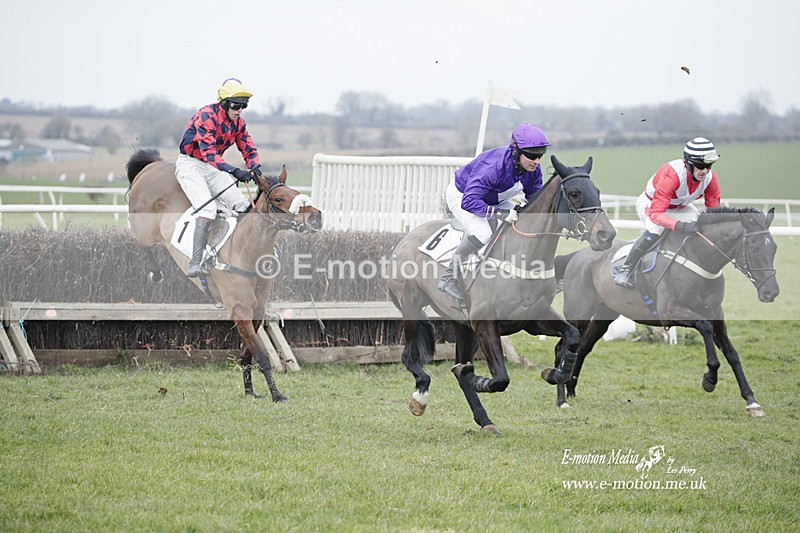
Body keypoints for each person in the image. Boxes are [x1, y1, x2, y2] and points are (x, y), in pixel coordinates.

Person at [438, 123, 549, 300]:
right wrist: (499, 213)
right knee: (482, 233)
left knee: (521, 223)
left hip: (495, 197)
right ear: (516, 151)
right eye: (531, 155)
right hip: (463, 195)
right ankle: (448, 278)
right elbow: (469, 202)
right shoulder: (493, 167)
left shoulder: (532, 169)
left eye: (540, 155)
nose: (536, 161)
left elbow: (534, 197)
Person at [176, 77, 264, 277]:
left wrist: (254, 167)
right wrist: (234, 171)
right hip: (191, 164)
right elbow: (209, 153)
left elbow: (248, 149)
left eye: (244, 105)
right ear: (224, 103)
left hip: (212, 167)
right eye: (236, 104)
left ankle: (241, 254)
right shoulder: (206, 115)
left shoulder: (239, 124)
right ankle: (196, 261)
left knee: (242, 205)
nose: (240, 109)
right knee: (208, 209)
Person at [613, 136, 721, 288]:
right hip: (651, 205)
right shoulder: (672, 175)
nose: (705, 171)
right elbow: (657, 214)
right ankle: (625, 269)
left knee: (702, 228)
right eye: (700, 165)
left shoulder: (710, 178)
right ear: (688, 163)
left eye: (709, 165)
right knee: (655, 231)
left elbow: (713, 213)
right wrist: (680, 226)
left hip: (679, 207)